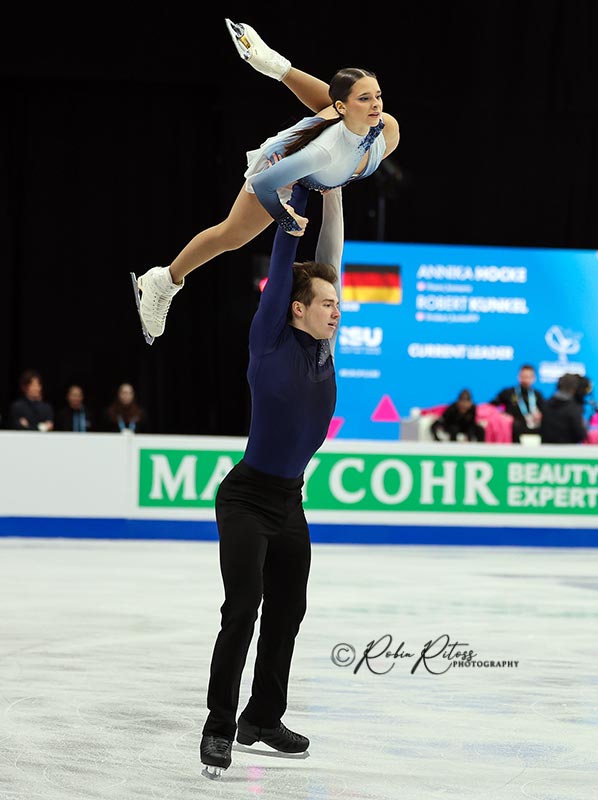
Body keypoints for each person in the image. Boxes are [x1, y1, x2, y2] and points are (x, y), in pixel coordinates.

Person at [133, 18, 399, 342]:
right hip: (286, 165)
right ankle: (163, 281)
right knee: (232, 235)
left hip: (328, 159)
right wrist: (286, 218)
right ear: (344, 107)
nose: (376, 105)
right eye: (365, 99)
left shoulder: (386, 129)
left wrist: (282, 70)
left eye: (377, 96)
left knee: (358, 123)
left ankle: (276, 65)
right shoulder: (322, 152)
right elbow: (264, 185)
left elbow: (334, 106)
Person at [199, 182, 342, 780]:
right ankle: (218, 727)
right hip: (247, 499)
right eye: (326, 303)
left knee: (289, 610)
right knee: (244, 608)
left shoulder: (325, 350)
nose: (336, 309)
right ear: (296, 308)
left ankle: (262, 717)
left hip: (289, 503)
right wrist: (299, 196)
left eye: (338, 303)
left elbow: (331, 254)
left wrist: (334, 190)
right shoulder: (270, 341)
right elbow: (288, 260)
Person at [489, 364, 546, 443]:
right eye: (524, 376)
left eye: (529, 377)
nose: (526, 379)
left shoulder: (537, 394)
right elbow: (492, 406)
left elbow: (544, 411)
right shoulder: (508, 392)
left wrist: (540, 415)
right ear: (519, 377)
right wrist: (502, 414)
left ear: (534, 378)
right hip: (514, 428)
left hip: (533, 426)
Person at [540, 373, 587, 444]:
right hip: (568, 449)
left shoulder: (546, 404)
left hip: (546, 448)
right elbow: (580, 435)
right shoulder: (574, 408)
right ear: (575, 388)